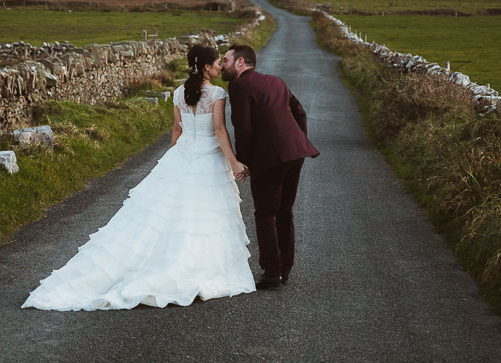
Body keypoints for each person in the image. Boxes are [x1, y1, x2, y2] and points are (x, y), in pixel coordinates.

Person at [22, 44, 255, 311]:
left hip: (181, 155)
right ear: (205, 67)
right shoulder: (216, 93)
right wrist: (234, 162)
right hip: (208, 157)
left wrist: (175, 162)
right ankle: (194, 267)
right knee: (201, 215)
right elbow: (219, 131)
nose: (220, 67)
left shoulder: (179, 92)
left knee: (169, 214)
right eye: (216, 63)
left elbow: (176, 133)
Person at [221, 43, 319, 290]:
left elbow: (243, 127)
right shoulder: (276, 81)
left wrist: (243, 161)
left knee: (265, 213)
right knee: (284, 210)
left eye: (226, 60)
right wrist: (298, 141)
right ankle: (285, 269)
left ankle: (272, 272)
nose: (223, 65)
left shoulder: (239, 86)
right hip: (295, 152)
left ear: (241, 62)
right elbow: (300, 112)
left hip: (269, 158)